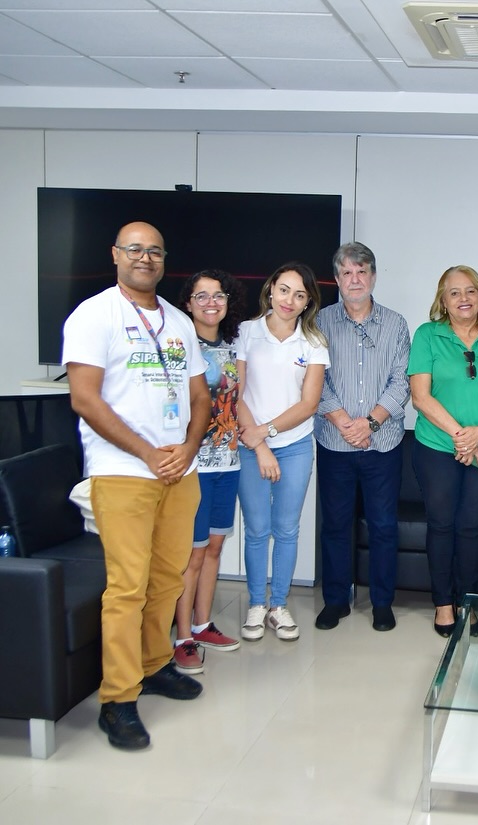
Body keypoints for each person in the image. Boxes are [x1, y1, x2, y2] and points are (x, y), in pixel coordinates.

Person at [63, 221, 210, 750]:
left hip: (180, 471)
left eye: (154, 251)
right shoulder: (93, 315)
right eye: (135, 250)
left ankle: (153, 664)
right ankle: (118, 700)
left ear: (164, 259)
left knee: (167, 579)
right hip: (123, 471)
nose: (145, 258)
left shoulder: (178, 321)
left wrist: (188, 448)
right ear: (116, 255)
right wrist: (148, 453)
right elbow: (85, 398)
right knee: (127, 586)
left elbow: (199, 397)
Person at [409, 266, 478, 637]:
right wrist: (460, 436)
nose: (463, 298)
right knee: (441, 524)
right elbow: (420, 396)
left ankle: (467, 601)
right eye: (454, 292)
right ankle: (443, 604)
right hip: (437, 446)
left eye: (470, 291)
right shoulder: (427, 335)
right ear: (443, 300)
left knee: (472, 526)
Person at [314, 242, 410, 633]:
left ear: (373, 276)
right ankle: (336, 600)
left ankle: (382, 603)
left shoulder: (396, 324)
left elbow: (401, 381)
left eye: (362, 271)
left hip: (382, 443)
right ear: (337, 279)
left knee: (384, 525)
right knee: (336, 525)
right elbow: (314, 380)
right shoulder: (319, 323)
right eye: (347, 273)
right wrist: (344, 422)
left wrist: (369, 423)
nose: (355, 280)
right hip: (333, 442)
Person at [236, 263, 329, 642]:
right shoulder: (246, 332)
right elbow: (237, 394)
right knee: (257, 530)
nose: (290, 300)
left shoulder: (314, 342)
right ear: (271, 289)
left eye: (300, 295)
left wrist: (267, 432)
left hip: (294, 446)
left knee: (287, 529)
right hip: (250, 447)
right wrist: (259, 445)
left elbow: (309, 404)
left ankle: (278, 606)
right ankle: (256, 605)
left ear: (308, 302)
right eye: (285, 290)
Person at [172, 270, 246, 675]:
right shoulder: (181, 348)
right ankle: (182, 637)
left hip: (229, 461)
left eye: (218, 295)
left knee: (214, 547)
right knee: (194, 553)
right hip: (194, 467)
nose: (211, 303)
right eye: (201, 296)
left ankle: (202, 625)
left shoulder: (233, 346)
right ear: (188, 304)